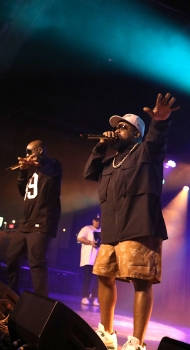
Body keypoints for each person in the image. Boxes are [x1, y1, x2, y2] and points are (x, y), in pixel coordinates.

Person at [83, 93, 180, 350]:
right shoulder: (110, 162)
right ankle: (107, 331)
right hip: (113, 228)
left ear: (137, 133)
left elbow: (157, 138)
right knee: (103, 275)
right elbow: (89, 172)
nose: (117, 130)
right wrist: (101, 145)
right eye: (116, 127)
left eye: (123, 127)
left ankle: (136, 341)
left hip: (139, 225)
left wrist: (160, 120)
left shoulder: (145, 151)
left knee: (140, 281)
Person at [7, 140, 62, 297]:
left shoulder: (53, 167)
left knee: (37, 263)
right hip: (26, 222)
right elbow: (22, 191)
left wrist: (38, 161)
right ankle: (12, 294)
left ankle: (42, 301)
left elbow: (47, 164)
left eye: (29, 152)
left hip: (43, 221)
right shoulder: (34, 174)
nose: (27, 155)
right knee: (11, 257)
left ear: (39, 150)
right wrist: (23, 171)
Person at [77, 213, 101, 306]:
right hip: (88, 258)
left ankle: (95, 297)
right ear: (93, 220)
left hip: (99, 259)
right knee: (87, 278)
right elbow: (79, 238)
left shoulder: (102, 230)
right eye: (96, 220)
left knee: (98, 280)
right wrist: (90, 242)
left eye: (99, 221)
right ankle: (84, 296)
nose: (98, 222)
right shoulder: (86, 228)